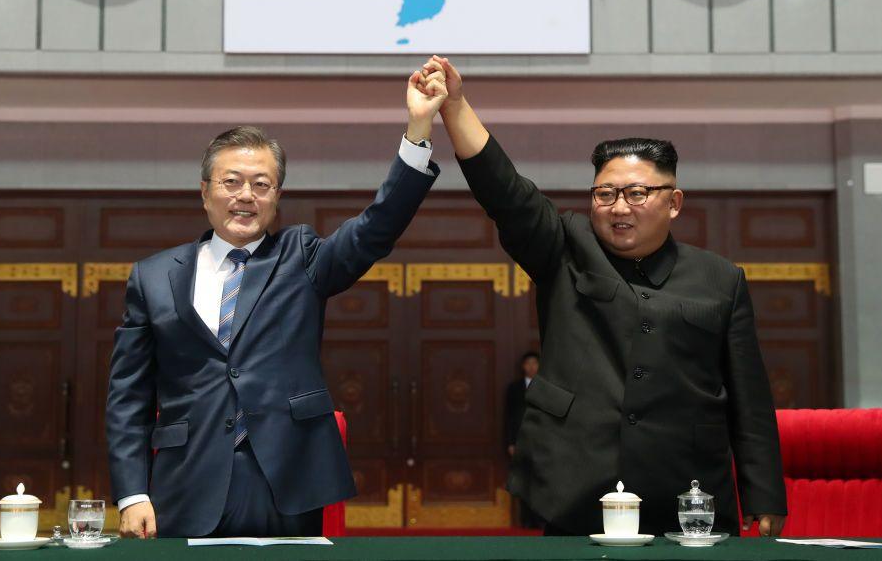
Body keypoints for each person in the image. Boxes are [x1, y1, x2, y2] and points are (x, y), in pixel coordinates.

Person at [420, 56, 787, 537]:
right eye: (604, 194)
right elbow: (504, 190)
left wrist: (763, 494)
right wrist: (456, 106)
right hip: (577, 479)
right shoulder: (566, 246)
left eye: (636, 194)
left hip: (687, 487)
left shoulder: (720, 278)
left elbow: (749, 399)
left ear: (673, 202)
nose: (618, 208)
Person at [106, 67, 448, 539]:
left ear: (277, 197)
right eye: (231, 182)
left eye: (261, 184)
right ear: (205, 192)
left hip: (284, 477)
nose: (246, 195)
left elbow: (377, 226)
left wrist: (418, 130)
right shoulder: (153, 276)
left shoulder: (301, 256)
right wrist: (131, 493)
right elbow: (129, 396)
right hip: (185, 479)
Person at [504, 351, 543, 529]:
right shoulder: (514, 388)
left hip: (543, 442)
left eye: (535, 363)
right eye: (528, 363)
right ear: (523, 366)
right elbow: (508, 417)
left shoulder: (546, 387)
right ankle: (525, 520)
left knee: (541, 481)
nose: (531, 367)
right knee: (523, 480)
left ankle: (541, 520)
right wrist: (510, 442)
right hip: (521, 441)